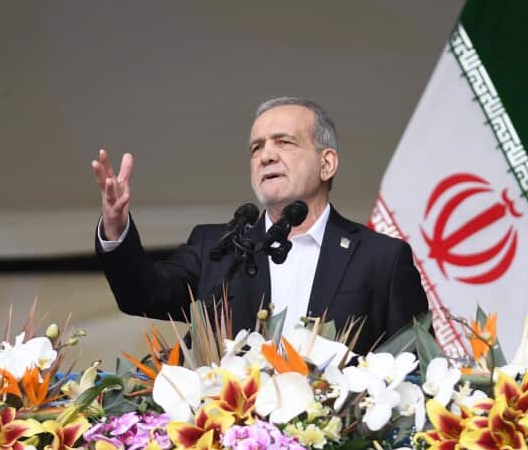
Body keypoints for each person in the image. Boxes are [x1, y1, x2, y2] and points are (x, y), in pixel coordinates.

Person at [91, 97, 428, 354]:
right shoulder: (218, 248)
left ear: (326, 164)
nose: (266, 156)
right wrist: (115, 227)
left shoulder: (381, 258)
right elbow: (142, 294)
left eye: (284, 142)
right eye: (257, 147)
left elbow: (414, 367)